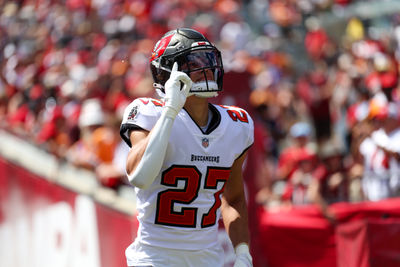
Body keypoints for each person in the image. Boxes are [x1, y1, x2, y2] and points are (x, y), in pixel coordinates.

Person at [119, 28, 254, 267]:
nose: (206, 69)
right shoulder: (149, 112)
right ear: (166, 73)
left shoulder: (237, 125)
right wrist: (170, 112)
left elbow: (233, 200)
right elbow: (140, 176)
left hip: (208, 259)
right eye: (194, 62)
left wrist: (243, 252)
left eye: (208, 60)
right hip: (153, 258)